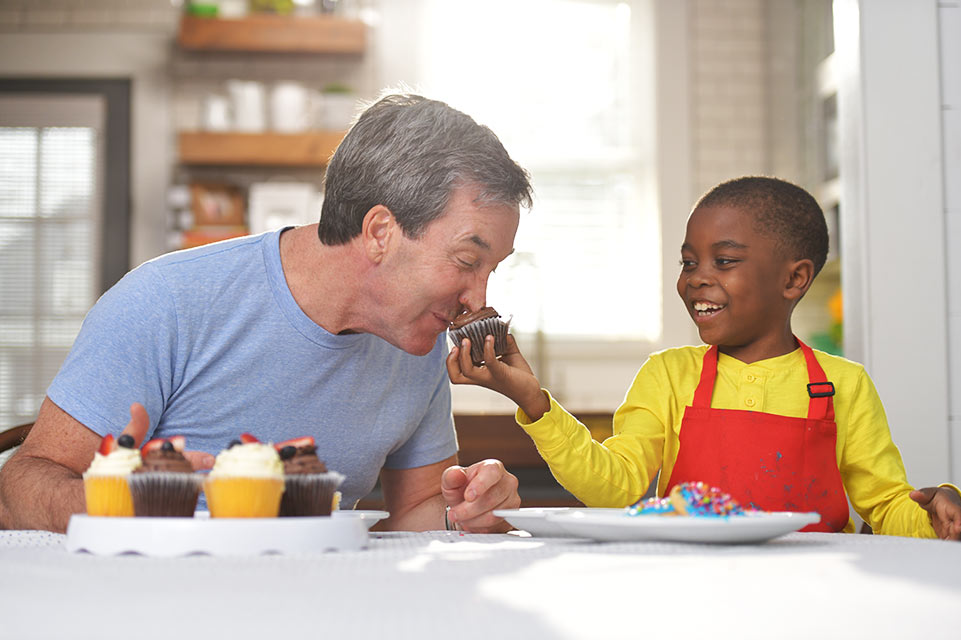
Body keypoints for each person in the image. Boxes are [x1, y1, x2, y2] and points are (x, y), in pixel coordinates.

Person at [0, 93, 531, 534]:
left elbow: (417, 512)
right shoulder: (164, 303)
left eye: (491, 268)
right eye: (467, 260)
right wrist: (117, 505)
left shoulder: (416, 339)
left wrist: (467, 510)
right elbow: (22, 483)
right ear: (379, 232)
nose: (477, 298)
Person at [448, 175, 961, 539]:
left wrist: (938, 518)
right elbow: (614, 488)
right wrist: (535, 403)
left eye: (725, 260)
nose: (696, 276)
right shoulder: (669, 377)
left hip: (818, 591)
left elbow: (888, 505)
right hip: (690, 588)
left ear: (794, 279)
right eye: (689, 261)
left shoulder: (841, 385)